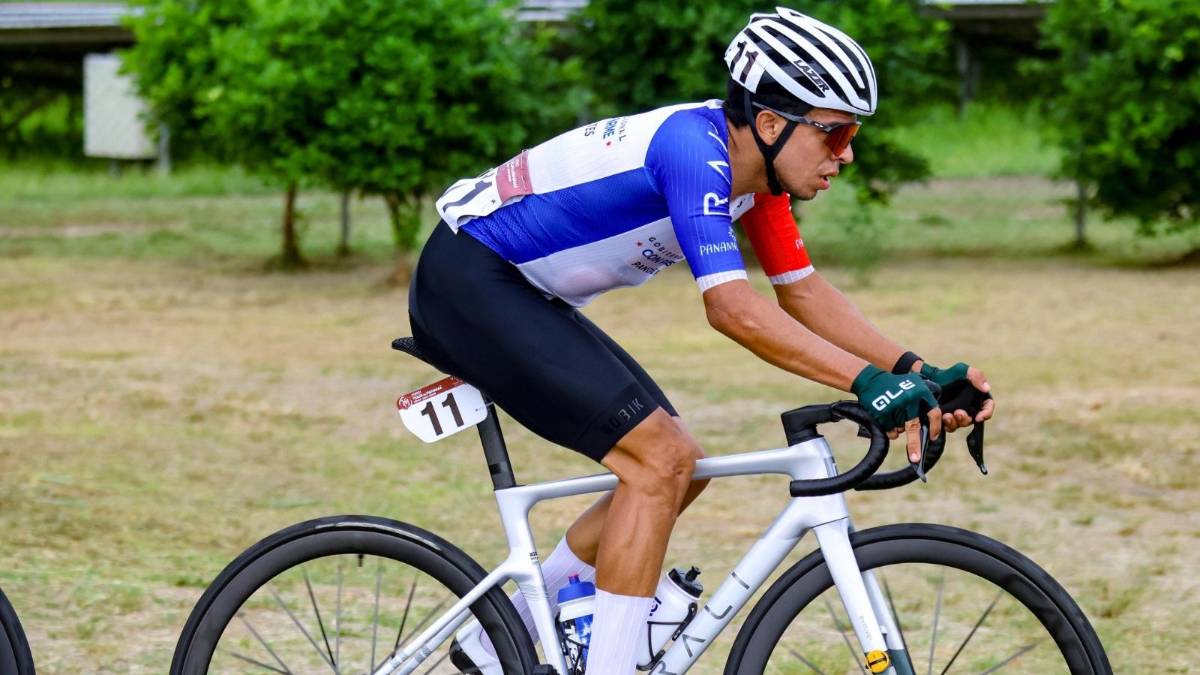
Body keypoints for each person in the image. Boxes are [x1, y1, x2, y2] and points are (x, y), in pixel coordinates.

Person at [407, 7, 995, 674]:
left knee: (679, 465)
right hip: (470, 278)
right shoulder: (694, 151)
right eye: (835, 132)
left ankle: (496, 639)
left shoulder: (756, 179)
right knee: (657, 461)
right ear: (770, 124)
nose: (847, 154)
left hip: (521, 290)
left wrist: (915, 370)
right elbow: (732, 309)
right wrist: (867, 382)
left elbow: (802, 292)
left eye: (852, 134)